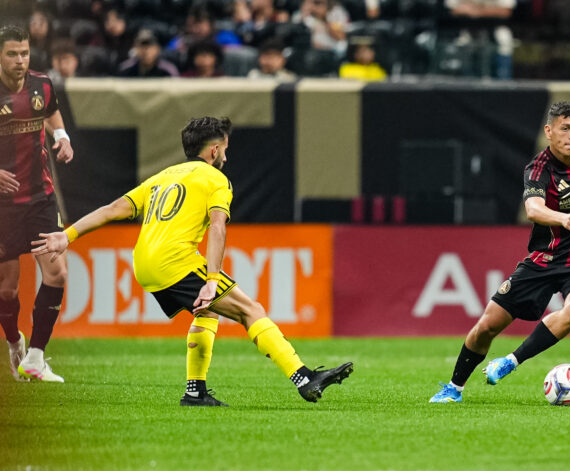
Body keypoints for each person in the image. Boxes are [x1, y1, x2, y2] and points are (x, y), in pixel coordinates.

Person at [32, 116, 353, 406]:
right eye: (224, 149)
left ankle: (195, 391)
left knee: (208, 313)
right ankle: (303, 378)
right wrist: (212, 280)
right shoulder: (215, 180)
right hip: (176, 261)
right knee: (250, 310)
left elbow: (114, 208)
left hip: (145, 263)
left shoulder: (164, 176)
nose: (226, 155)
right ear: (213, 151)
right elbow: (217, 227)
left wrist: (68, 235)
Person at [429, 101, 570, 403]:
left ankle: (510, 362)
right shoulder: (539, 169)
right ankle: (454, 388)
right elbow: (533, 208)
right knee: (487, 326)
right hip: (545, 260)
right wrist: (561, 218)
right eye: (565, 129)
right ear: (549, 131)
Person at [0, 25, 74, 382]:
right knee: (6, 289)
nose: (20, 60)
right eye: (12, 54)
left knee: (57, 273)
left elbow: (50, 111)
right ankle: (14, 341)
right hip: (2, 208)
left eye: (24, 53)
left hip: (40, 198)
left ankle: (35, 356)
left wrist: (61, 136)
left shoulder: (41, 83)